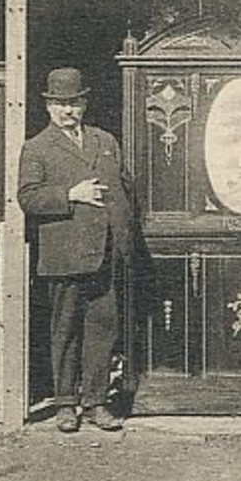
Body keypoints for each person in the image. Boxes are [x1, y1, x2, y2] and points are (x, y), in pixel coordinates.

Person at [18, 67, 153, 433]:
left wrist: (125, 237)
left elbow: (126, 189)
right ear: (48, 107)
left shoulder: (104, 140)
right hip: (65, 253)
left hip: (107, 252)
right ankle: (65, 404)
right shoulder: (36, 147)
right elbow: (27, 198)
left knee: (102, 329)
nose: (68, 111)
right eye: (60, 104)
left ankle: (95, 402)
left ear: (84, 104)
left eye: (74, 103)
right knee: (65, 330)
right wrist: (69, 195)